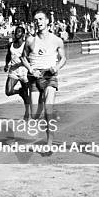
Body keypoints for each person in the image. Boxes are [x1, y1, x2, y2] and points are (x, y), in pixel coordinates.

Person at [21, 9, 67, 154]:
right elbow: (23, 57)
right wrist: (30, 69)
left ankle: (49, 144)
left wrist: (56, 67)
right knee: (34, 114)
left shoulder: (56, 40)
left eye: (41, 19)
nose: (38, 22)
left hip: (49, 77)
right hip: (35, 78)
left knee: (48, 111)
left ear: (47, 21)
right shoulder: (30, 40)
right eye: (36, 20)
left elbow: (64, 58)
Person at [4, 25, 30, 119]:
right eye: (15, 32)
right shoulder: (10, 45)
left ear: (23, 34)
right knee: (8, 91)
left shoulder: (25, 45)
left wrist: (22, 64)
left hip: (24, 72)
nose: (16, 33)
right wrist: (6, 64)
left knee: (26, 95)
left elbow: (28, 58)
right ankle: (19, 92)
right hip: (13, 71)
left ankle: (27, 112)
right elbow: (8, 55)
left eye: (19, 32)